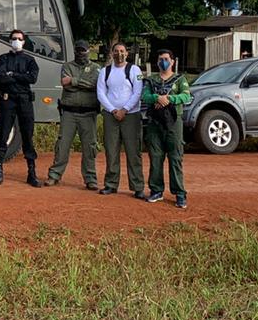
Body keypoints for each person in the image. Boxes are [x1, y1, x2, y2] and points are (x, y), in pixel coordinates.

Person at [46, 39, 101, 190]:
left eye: (83, 50)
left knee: (89, 147)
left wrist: (73, 81)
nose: (80, 53)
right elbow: (65, 84)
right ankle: (54, 175)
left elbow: (94, 84)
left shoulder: (96, 68)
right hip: (69, 112)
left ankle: (90, 178)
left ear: (88, 51)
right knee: (62, 144)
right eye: (78, 50)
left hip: (88, 113)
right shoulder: (67, 66)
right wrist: (81, 84)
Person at [141, 49, 191, 209]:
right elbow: (144, 96)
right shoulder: (151, 80)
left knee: (175, 157)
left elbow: (186, 96)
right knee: (155, 156)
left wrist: (169, 98)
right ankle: (156, 190)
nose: (163, 62)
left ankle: (180, 193)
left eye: (166, 59)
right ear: (157, 62)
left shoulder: (180, 79)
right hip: (155, 122)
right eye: (161, 59)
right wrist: (157, 98)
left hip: (173, 122)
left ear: (172, 61)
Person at [96, 42, 146, 199]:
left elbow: (138, 92)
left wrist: (125, 109)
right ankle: (111, 184)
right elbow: (101, 93)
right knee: (111, 151)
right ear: (112, 53)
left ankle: (137, 186)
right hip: (111, 115)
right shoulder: (105, 71)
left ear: (127, 53)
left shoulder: (134, 70)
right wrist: (113, 110)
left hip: (131, 115)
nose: (119, 54)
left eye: (122, 51)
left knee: (133, 152)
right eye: (116, 51)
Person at [0, 29, 41, 186]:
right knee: (3, 134)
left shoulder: (30, 60)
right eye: (14, 38)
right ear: (10, 41)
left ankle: (31, 173)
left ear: (24, 41)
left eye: (19, 39)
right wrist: (20, 77)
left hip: (25, 101)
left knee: (27, 135)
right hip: (7, 101)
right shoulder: (2, 58)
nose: (16, 41)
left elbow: (32, 78)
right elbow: (1, 78)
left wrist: (12, 75)